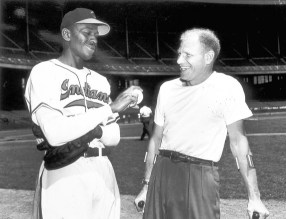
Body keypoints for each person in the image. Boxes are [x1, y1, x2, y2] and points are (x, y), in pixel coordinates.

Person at [134, 28, 269, 219]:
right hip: (161, 174)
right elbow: (155, 140)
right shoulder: (167, 89)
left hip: (199, 176)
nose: (179, 60)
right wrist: (147, 185)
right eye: (179, 54)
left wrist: (254, 196)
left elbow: (239, 143)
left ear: (208, 57)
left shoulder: (226, 87)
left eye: (187, 55)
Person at [25, 8, 141, 219]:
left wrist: (87, 129)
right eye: (87, 31)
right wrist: (108, 111)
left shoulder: (100, 81)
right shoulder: (44, 72)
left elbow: (114, 137)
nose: (93, 38)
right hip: (65, 172)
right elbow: (55, 133)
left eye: (96, 34)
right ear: (67, 35)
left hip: (104, 171)